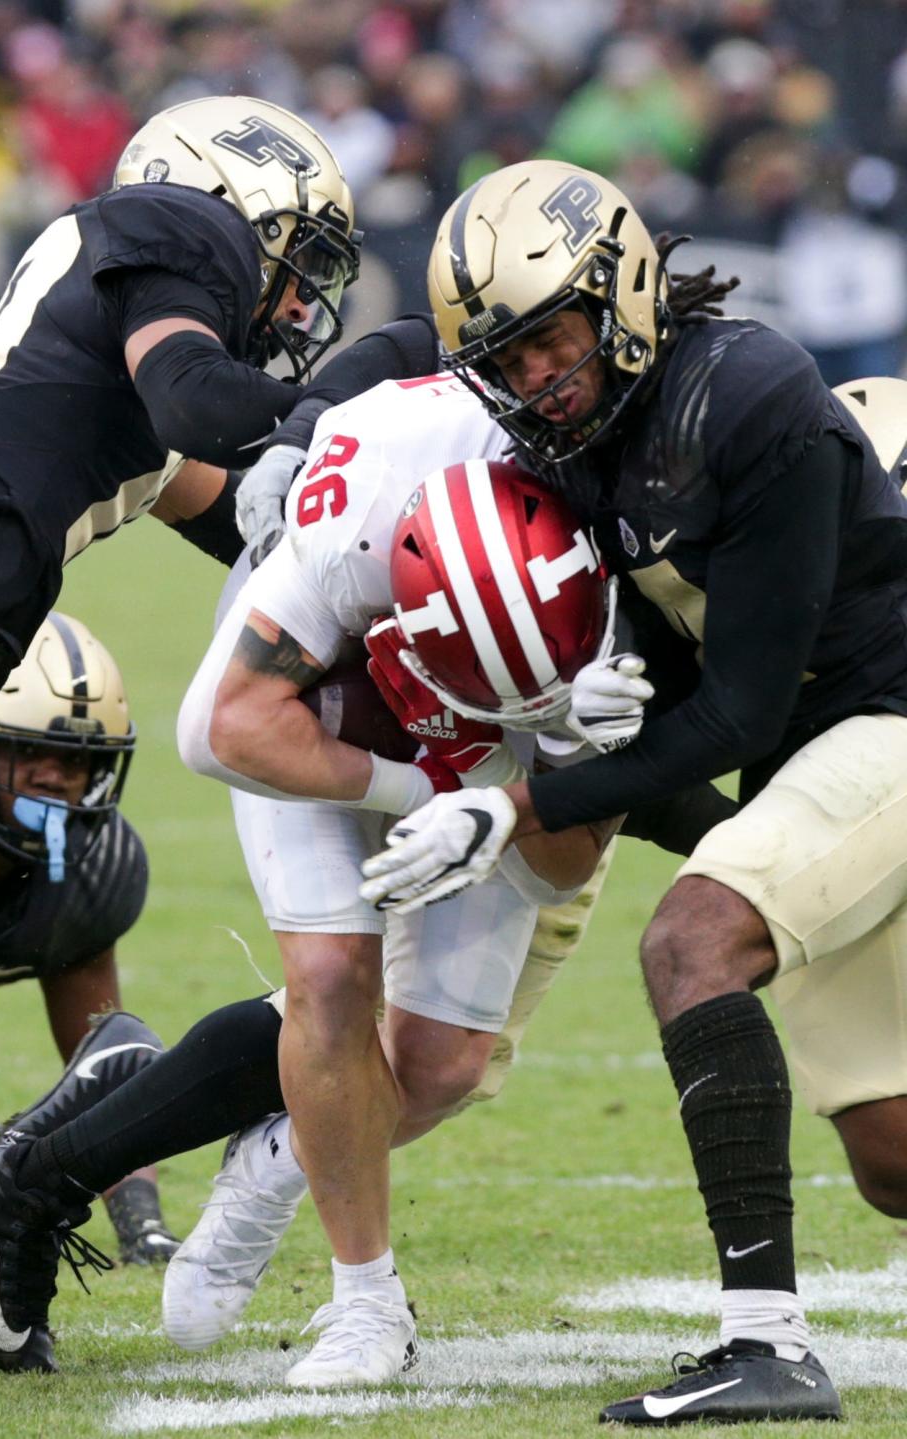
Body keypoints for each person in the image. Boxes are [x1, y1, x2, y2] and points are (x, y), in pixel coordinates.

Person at [0, 379, 732, 1380]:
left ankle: (82, 1168)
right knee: (329, 979)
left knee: (444, 1062)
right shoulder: (344, 544)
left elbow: (550, 872)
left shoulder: (613, 577)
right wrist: (426, 792)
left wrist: (558, 763)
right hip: (313, 706)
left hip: (519, 710)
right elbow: (221, 728)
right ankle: (366, 1306)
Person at [360, 159, 907, 1423]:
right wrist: (591, 701)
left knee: (693, 939)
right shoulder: (594, 436)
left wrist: (518, 803)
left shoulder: (752, 395)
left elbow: (740, 711)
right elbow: (696, 689)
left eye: (552, 334)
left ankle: (767, 1347)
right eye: (509, 354)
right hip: (820, 755)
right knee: (889, 1153)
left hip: (880, 722)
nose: (538, 372)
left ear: (621, 292)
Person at [0, 92, 441, 816]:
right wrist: (358, 421)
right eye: (301, 258)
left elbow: (265, 535)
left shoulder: (136, 405)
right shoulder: (182, 220)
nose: (304, 305)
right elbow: (199, 400)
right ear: (233, 198)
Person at [0, 611, 178, 1272]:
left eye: (76, 759)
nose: (54, 776)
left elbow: (100, 1062)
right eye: (28, 752)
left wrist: (142, 1224)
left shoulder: (92, 869)